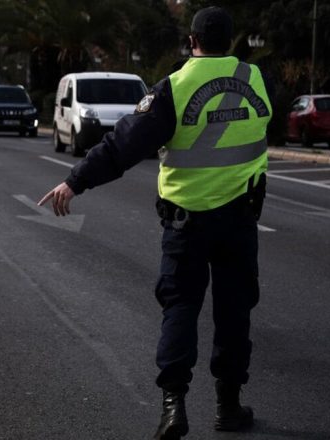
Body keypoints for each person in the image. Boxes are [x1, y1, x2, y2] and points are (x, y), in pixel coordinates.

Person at [38, 6, 271, 439]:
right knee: (235, 312)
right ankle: (228, 405)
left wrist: (75, 181)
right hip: (239, 220)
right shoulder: (257, 79)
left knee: (180, 308)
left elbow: (123, 146)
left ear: (192, 41)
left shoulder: (174, 88)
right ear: (232, 41)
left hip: (187, 224)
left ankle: (173, 406)